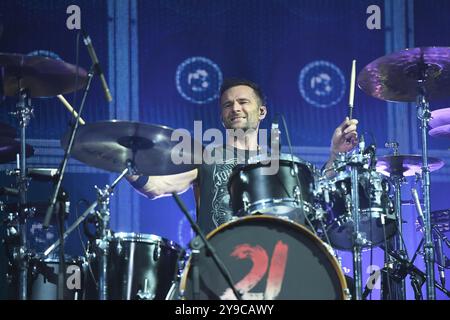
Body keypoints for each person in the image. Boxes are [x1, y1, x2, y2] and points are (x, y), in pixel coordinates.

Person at [126, 78, 358, 234]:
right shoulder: (205, 157)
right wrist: (122, 160)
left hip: (272, 266)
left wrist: (335, 153)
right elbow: (157, 188)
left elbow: (318, 192)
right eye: (228, 105)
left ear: (262, 112)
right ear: (222, 118)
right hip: (218, 267)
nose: (235, 108)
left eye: (243, 102)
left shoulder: (280, 164)